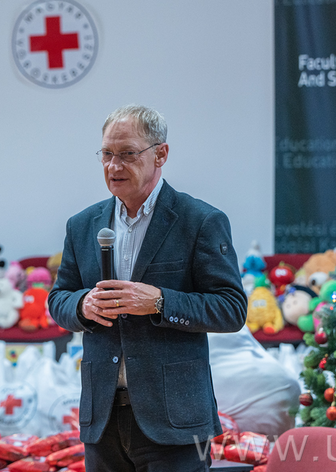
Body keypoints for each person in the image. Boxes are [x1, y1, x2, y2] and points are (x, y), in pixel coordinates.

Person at [48, 105, 247, 472]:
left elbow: (231, 309)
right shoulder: (82, 225)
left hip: (174, 421)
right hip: (103, 418)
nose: (114, 166)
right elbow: (58, 299)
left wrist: (159, 301)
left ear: (161, 154)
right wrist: (82, 306)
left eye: (127, 154)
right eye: (107, 154)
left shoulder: (200, 221)